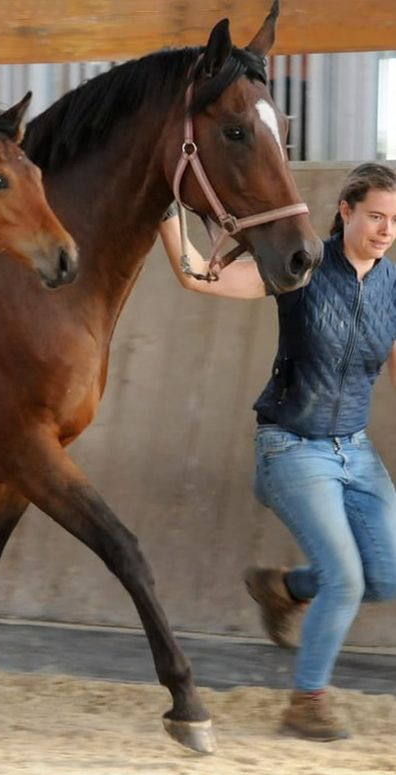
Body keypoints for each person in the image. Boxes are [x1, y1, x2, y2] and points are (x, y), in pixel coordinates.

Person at [158, 162, 396, 741]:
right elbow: (197, 274)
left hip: (355, 452)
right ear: (345, 212)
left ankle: (284, 588)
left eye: (394, 220)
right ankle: (307, 702)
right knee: (344, 578)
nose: (386, 230)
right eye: (375, 216)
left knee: (386, 576)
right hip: (290, 446)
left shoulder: (391, 282)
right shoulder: (303, 264)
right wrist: (165, 210)